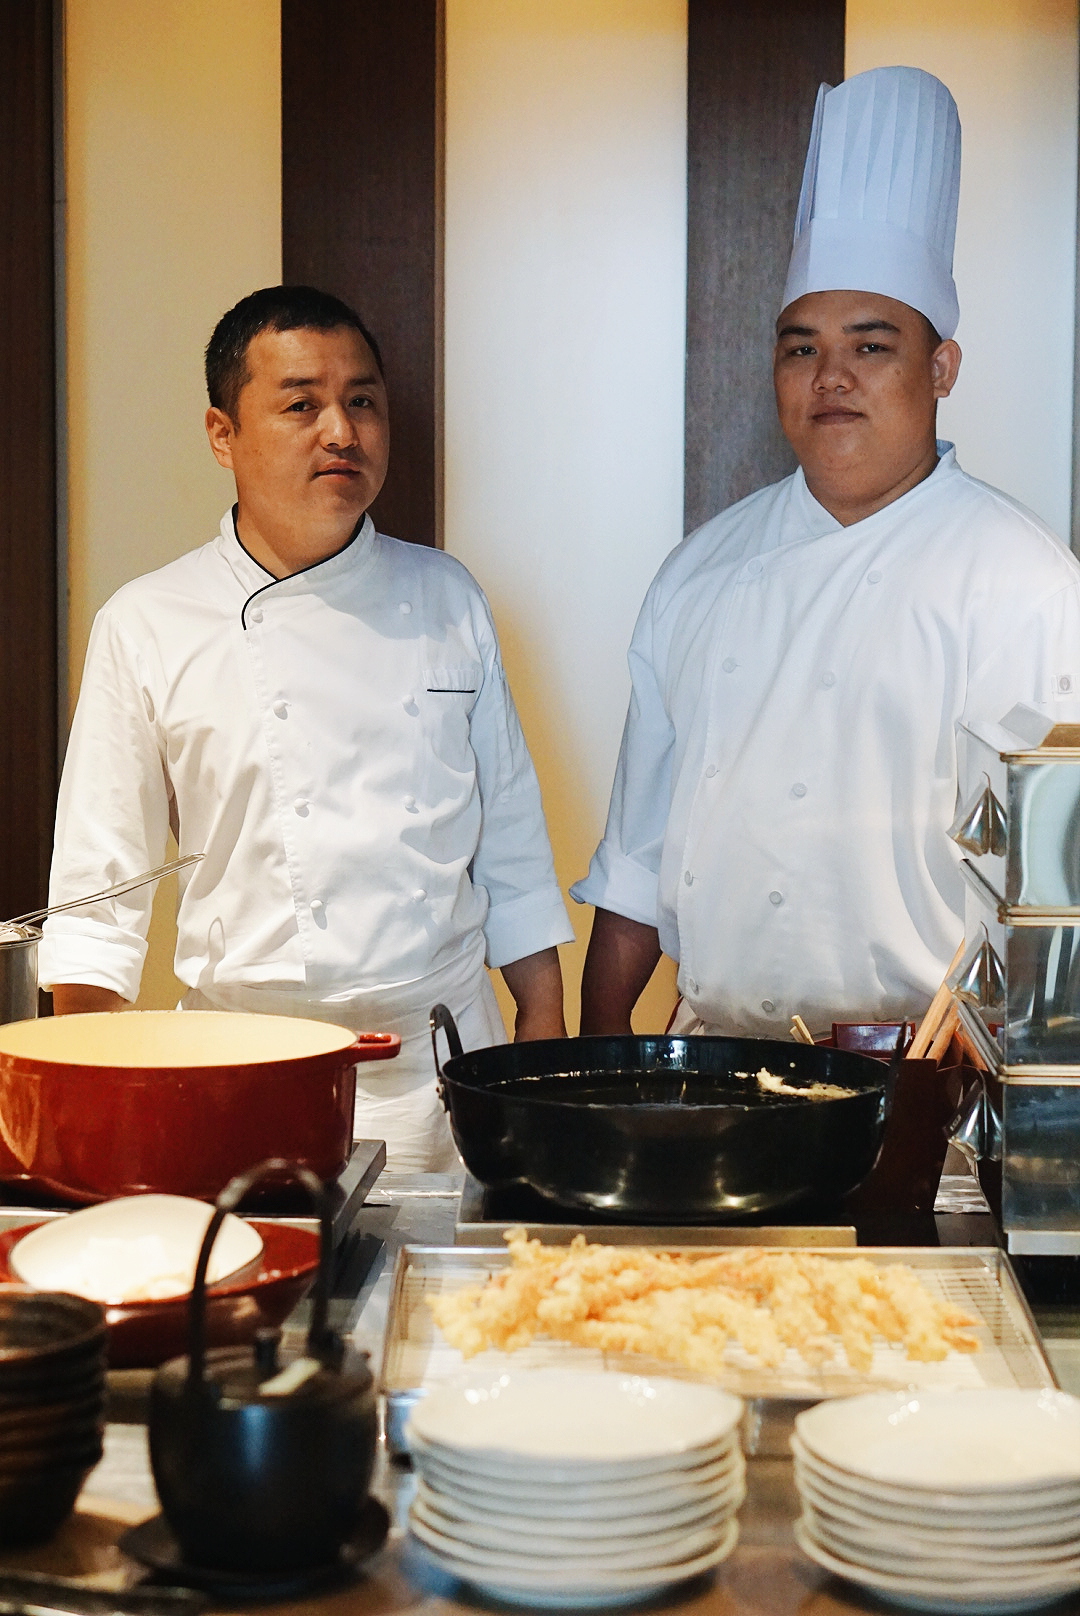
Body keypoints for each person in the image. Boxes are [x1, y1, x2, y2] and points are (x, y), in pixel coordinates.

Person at [573, 66, 1080, 1040]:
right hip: (717, 1063)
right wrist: (594, 1065)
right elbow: (635, 858)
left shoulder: (1025, 585)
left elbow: (1052, 901)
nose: (832, 376)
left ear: (942, 368)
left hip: (923, 1078)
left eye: (872, 346)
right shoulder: (699, 572)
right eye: (801, 348)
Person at [41, 285, 573, 1170]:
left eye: (362, 401)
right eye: (301, 405)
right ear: (223, 435)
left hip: (440, 1066)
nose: (342, 432)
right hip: (241, 1067)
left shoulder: (447, 597)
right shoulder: (147, 622)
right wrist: (93, 1111)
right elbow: (100, 895)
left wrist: (542, 1036)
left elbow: (511, 845)